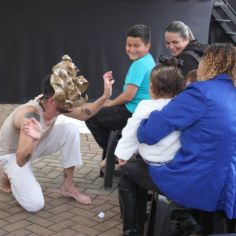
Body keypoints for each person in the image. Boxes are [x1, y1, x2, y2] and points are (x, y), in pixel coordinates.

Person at [118, 43, 236, 235]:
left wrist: (145, 120)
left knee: (128, 171)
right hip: (230, 186)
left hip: (198, 181)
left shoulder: (200, 92)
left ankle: (133, 232)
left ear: (209, 63)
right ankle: (189, 220)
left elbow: (150, 133)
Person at [0, 55, 114, 212]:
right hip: (14, 153)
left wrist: (105, 96)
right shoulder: (30, 116)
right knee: (35, 205)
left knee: (71, 130)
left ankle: (68, 187)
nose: (71, 103)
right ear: (52, 100)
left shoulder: (54, 104)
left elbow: (84, 113)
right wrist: (33, 138)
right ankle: (7, 174)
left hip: (36, 142)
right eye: (67, 99)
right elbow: (20, 159)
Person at [85, 24, 155, 164]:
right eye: (129, 45)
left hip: (132, 112)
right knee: (102, 111)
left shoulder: (139, 65)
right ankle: (118, 152)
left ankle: (117, 155)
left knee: (92, 118)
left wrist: (110, 103)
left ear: (147, 46)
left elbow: (129, 95)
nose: (132, 49)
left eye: (137, 45)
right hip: (140, 110)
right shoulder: (148, 60)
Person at [112, 57, 185, 167]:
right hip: (175, 159)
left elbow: (131, 130)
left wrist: (122, 154)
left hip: (151, 160)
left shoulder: (145, 105)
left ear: (151, 87)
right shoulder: (183, 105)